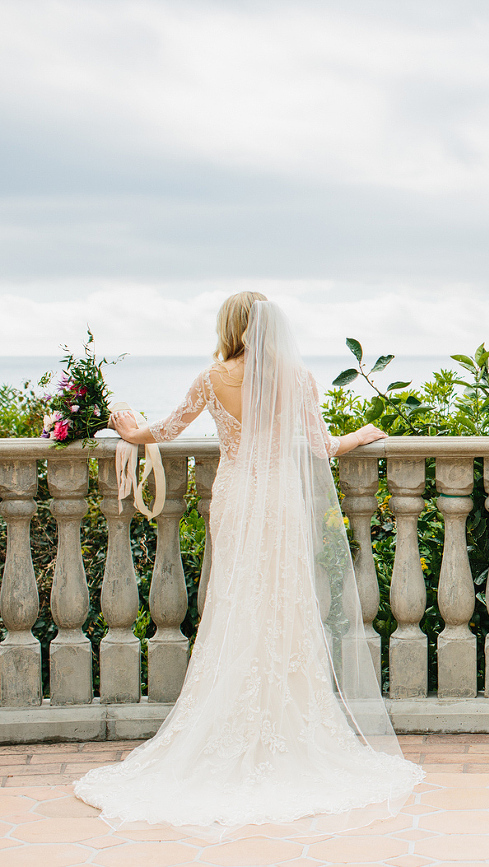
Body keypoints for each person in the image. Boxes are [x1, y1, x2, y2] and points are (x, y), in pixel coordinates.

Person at [75, 292, 423, 832]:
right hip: (281, 500)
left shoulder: (213, 378)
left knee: (237, 599)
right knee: (283, 600)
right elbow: (319, 446)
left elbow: (164, 432)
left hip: (238, 497)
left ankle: (228, 715)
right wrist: (362, 435)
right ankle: (286, 722)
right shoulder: (299, 379)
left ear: (231, 325)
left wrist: (128, 431)